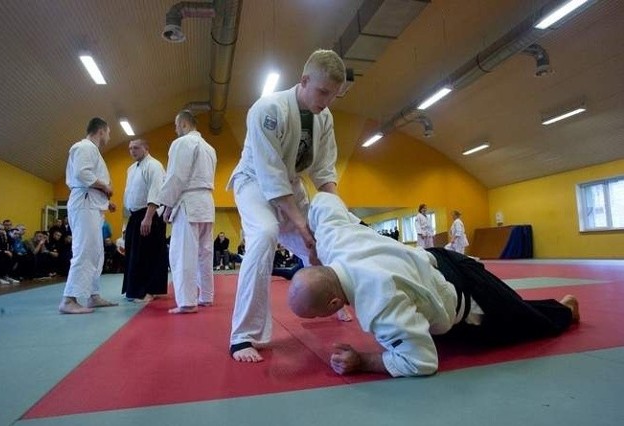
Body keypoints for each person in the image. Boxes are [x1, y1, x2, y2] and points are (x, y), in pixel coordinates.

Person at [287, 192, 580, 377]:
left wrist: (363, 361)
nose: (315, 321)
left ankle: (566, 311)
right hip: (439, 262)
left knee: (522, 324)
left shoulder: (379, 304)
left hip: (470, 299)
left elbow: (422, 362)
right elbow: (324, 200)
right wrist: (309, 238)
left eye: (314, 315)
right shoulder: (333, 240)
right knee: (512, 307)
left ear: (334, 304)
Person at [227, 49, 352, 363]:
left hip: (291, 183)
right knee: (266, 233)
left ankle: (337, 301)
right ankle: (244, 336)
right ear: (304, 80)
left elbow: (324, 172)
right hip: (254, 181)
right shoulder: (267, 110)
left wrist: (337, 215)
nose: (326, 101)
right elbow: (270, 174)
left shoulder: (324, 117)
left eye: (333, 95)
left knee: (323, 241)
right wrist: (299, 224)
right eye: (322, 91)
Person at [158, 110, 216, 314]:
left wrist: (166, 205)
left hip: (188, 201)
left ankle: (187, 302)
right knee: (205, 252)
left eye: (176, 126)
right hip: (207, 202)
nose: (175, 130)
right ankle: (206, 296)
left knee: (183, 252)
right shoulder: (210, 148)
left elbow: (176, 177)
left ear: (183, 124)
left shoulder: (183, 143)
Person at [59, 117, 118, 314]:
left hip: (91, 204)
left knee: (96, 253)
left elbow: (89, 179)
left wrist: (105, 201)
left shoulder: (93, 151)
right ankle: (69, 300)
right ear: (101, 131)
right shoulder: (83, 147)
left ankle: (93, 295)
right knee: (84, 250)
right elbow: (82, 174)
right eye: (108, 133)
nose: (109, 137)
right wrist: (105, 186)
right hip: (84, 203)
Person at [121, 139, 168, 302]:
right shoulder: (131, 169)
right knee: (134, 254)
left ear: (146, 148)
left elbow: (156, 191)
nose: (132, 151)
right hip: (134, 215)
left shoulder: (154, 165)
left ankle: (150, 290)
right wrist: (127, 220)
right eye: (130, 148)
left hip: (150, 214)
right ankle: (134, 289)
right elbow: (129, 195)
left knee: (149, 253)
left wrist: (148, 217)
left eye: (136, 147)